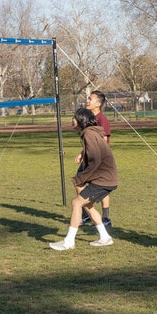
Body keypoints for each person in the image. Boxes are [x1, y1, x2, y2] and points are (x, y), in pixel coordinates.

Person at [49, 108, 118, 251]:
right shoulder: (91, 133)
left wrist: (82, 177)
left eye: (74, 118)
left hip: (104, 179)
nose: (71, 120)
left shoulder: (88, 134)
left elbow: (96, 160)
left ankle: (68, 242)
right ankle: (105, 237)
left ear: (81, 120)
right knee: (87, 205)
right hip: (106, 178)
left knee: (76, 203)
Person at [79, 90, 113, 227]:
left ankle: (105, 218)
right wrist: (82, 154)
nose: (88, 101)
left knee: (101, 186)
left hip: (99, 160)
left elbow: (102, 140)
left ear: (98, 104)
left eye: (90, 99)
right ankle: (86, 213)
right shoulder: (88, 117)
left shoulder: (101, 119)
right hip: (89, 157)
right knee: (78, 182)